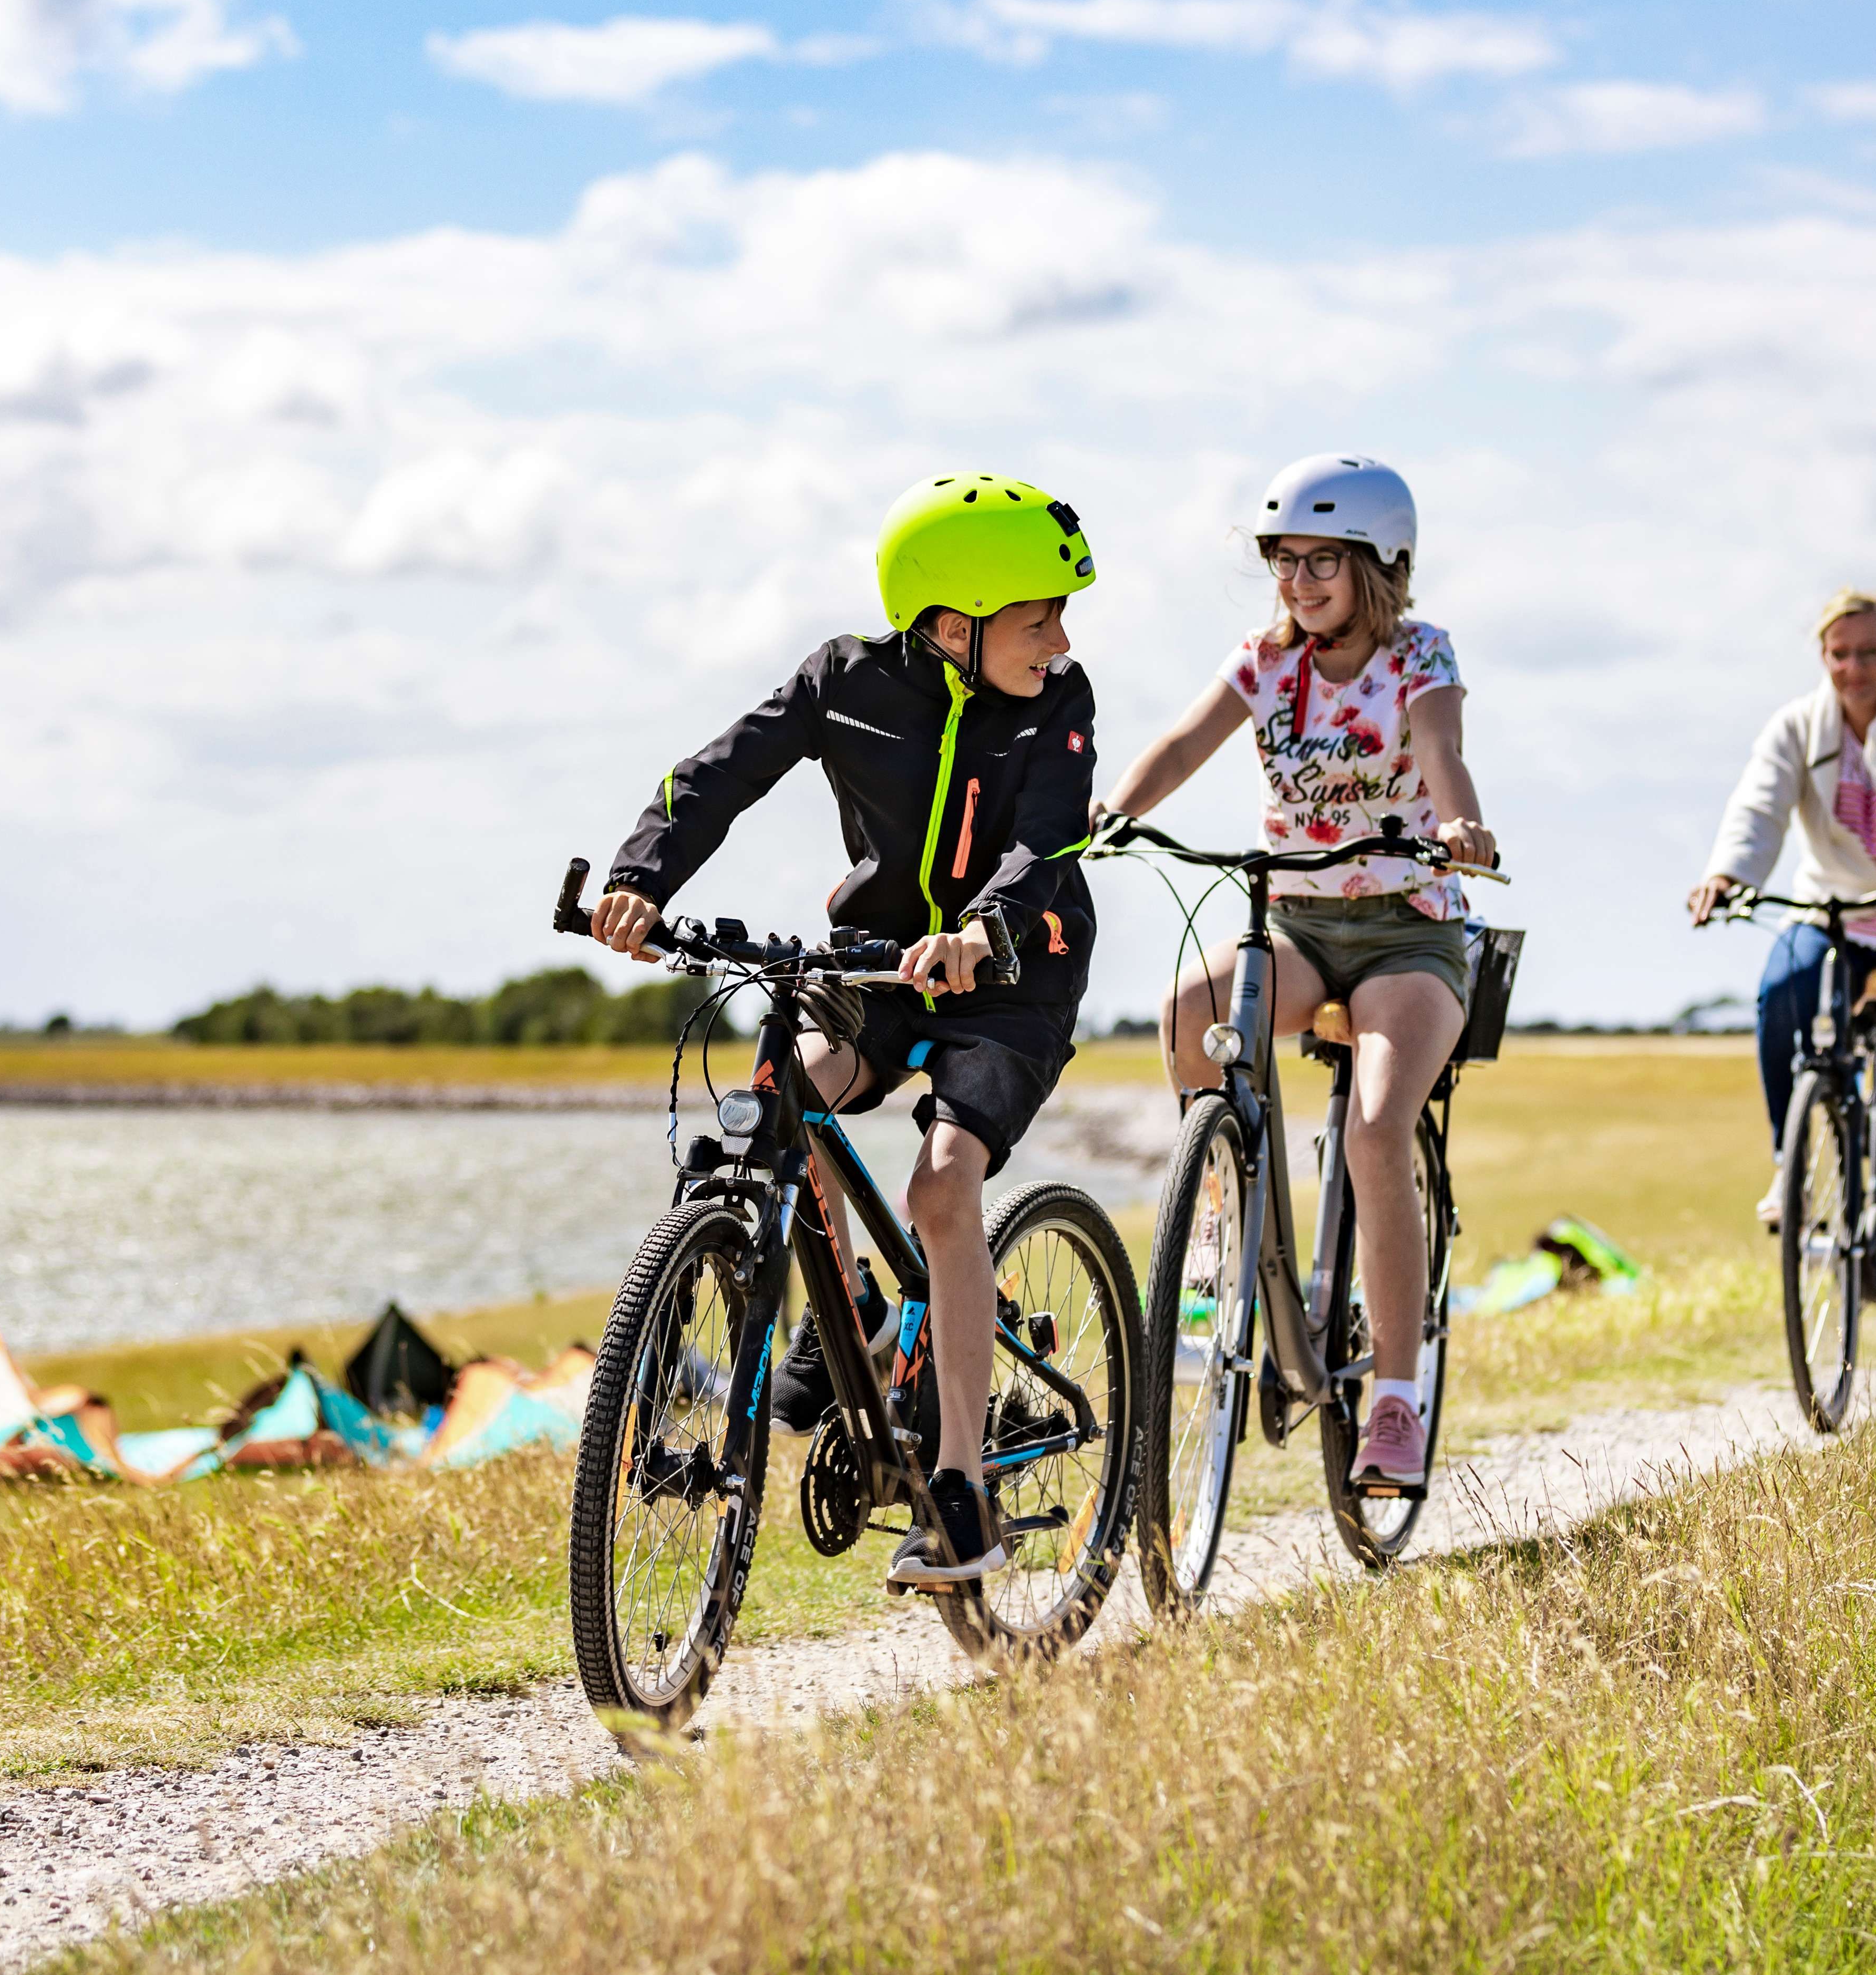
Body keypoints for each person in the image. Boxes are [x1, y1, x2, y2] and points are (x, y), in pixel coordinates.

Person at [587, 472, 1100, 1588]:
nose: (1060, 641)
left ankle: (958, 1491)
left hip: (1015, 972)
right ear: (952, 623)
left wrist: (982, 928)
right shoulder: (844, 679)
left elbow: (1049, 839)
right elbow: (719, 772)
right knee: (776, 1099)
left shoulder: (1058, 700)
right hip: (878, 963)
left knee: (942, 1186)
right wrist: (639, 876)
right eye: (1038, 619)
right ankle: (849, 1313)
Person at [1099, 453, 1496, 1488]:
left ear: (1381, 563)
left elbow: (1438, 745)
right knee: (1189, 1011)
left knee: (1371, 1129)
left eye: (1323, 559)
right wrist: (1114, 811)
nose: (1297, 580)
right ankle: (1224, 1214)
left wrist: (1458, 822)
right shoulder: (1264, 659)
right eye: (1283, 559)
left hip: (1407, 928)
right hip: (1299, 923)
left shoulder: (1418, 653)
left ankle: (1395, 1399)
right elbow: (1181, 745)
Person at [1687, 590, 1876, 1348]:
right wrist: (1727, 874)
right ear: (1823, 658)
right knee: (1779, 993)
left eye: (1869, 652)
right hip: (1837, 915)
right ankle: (1793, 1163)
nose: (1854, 668)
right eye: (1840, 654)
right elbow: (1758, 810)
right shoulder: (1798, 725)